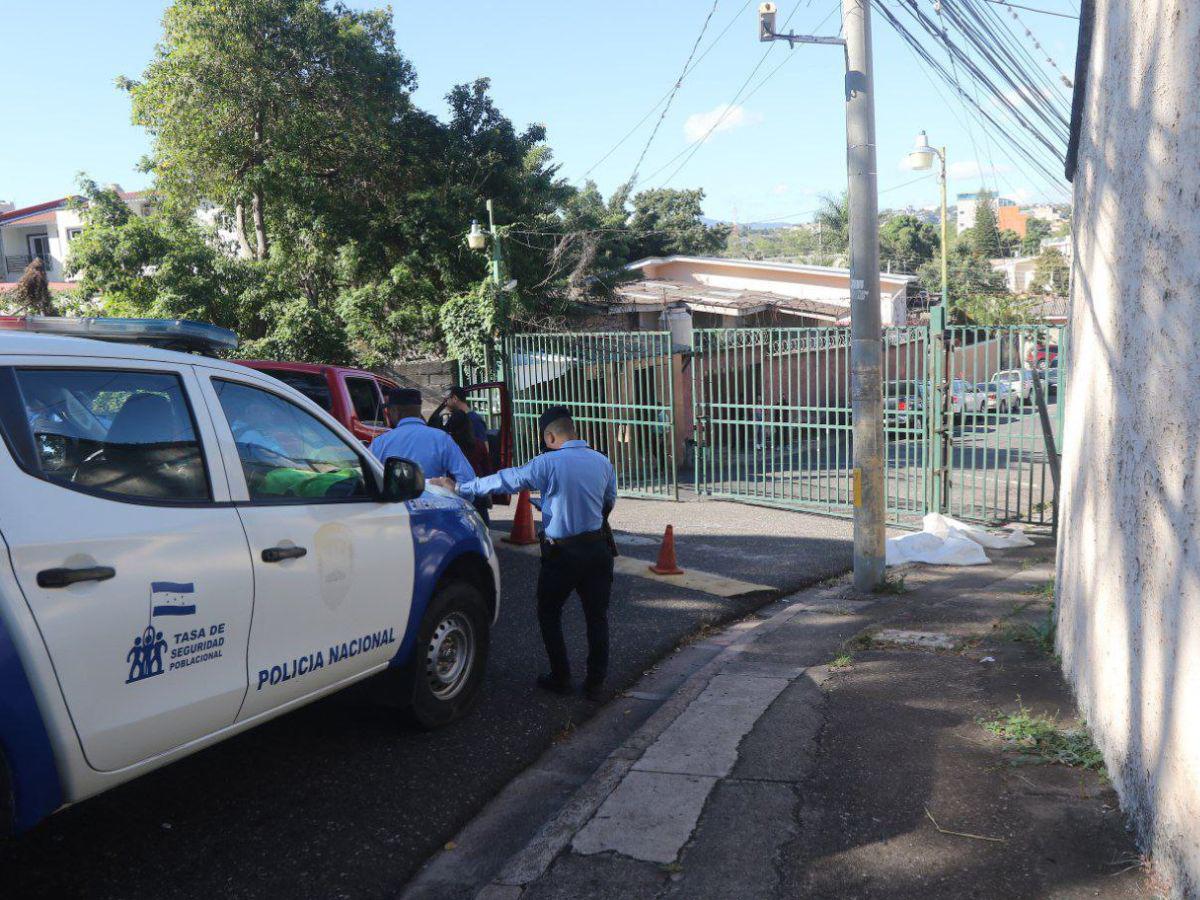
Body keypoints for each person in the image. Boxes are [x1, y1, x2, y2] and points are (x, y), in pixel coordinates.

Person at [431, 405, 617, 702]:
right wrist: (558, 508)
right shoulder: (603, 462)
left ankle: (561, 676)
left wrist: (462, 488)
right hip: (597, 550)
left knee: (549, 612)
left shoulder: (547, 463)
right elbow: (607, 502)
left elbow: (507, 479)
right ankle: (596, 683)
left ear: (549, 436)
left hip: (563, 555)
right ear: (573, 431)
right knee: (596, 617)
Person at [369, 387, 475, 484]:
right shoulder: (442, 439)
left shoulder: (380, 443)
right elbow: (468, 480)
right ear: (419, 409)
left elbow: (364, 479)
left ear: (395, 411)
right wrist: (453, 494)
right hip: (436, 503)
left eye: (389, 410)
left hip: (395, 504)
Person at [445, 409, 493, 525]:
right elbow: (487, 470)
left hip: (454, 493)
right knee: (481, 528)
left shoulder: (448, 447)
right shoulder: (478, 444)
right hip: (477, 492)